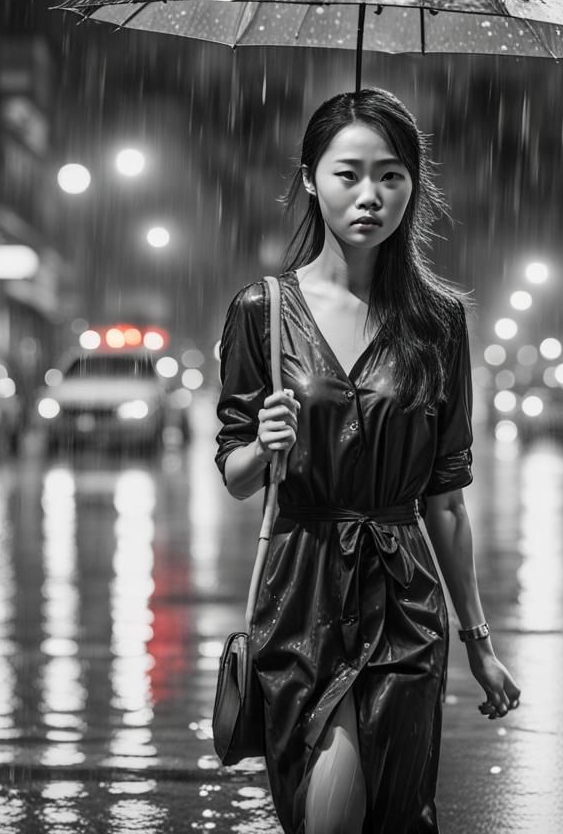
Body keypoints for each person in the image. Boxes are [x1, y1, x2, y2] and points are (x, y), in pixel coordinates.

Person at [215, 88, 520, 834]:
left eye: (391, 175)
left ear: (414, 187)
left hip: (405, 600)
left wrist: (479, 643)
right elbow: (236, 474)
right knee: (326, 811)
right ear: (310, 179)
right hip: (301, 593)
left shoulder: (439, 322)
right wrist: (265, 443)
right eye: (347, 174)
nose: (370, 195)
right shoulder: (263, 311)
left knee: (396, 815)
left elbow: (446, 500)